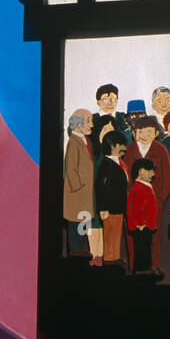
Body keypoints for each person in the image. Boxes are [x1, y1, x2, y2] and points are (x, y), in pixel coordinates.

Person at [122, 114, 170, 271]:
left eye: (150, 131)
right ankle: (133, 266)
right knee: (132, 234)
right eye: (141, 131)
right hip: (132, 200)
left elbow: (168, 177)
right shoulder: (128, 150)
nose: (145, 135)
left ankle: (153, 265)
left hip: (154, 201)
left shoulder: (161, 150)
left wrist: (160, 199)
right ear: (134, 133)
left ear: (157, 134)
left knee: (154, 235)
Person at [63, 111, 101, 261]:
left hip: (85, 194)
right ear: (79, 125)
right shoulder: (74, 142)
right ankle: (76, 252)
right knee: (77, 225)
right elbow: (71, 170)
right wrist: (80, 188)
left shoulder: (85, 140)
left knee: (83, 223)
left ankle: (80, 250)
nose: (92, 124)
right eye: (88, 121)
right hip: (78, 195)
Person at [94, 131, 130, 269]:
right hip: (110, 207)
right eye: (121, 145)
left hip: (118, 207)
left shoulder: (118, 162)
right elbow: (101, 187)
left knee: (116, 234)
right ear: (113, 146)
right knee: (110, 234)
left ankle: (114, 257)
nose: (124, 148)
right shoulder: (107, 164)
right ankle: (110, 260)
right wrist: (102, 208)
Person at [126, 158, 159, 276]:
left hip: (147, 227)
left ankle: (143, 270)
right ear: (140, 171)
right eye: (149, 170)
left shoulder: (145, 186)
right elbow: (134, 208)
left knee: (146, 250)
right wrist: (140, 224)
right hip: (142, 227)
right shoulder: (139, 188)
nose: (153, 174)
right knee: (142, 251)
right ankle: (141, 272)